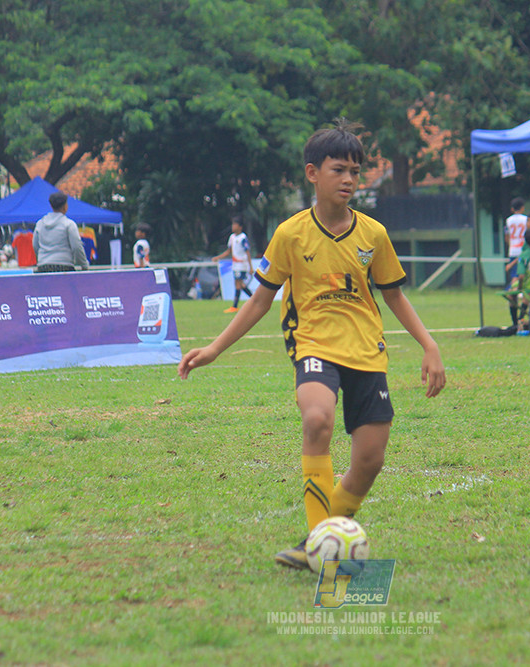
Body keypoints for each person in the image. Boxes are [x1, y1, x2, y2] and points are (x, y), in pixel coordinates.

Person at [177, 120, 446, 571]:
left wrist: (429, 345)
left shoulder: (373, 235)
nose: (349, 180)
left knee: (370, 460)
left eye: (355, 172)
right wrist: (215, 349)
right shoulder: (290, 233)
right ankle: (323, 548)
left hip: (366, 350)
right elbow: (261, 299)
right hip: (313, 344)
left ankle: (316, 538)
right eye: (339, 170)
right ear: (312, 173)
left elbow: (394, 294)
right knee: (317, 418)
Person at [32, 192, 89, 273]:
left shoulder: (40, 224)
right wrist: (84, 265)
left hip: (43, 266)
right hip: (64, 266)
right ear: (65, 207)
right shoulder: (69, 224)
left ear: (51, 206)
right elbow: (76, 246)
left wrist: (42, 259)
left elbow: (35, 245)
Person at [213, 215, 254, 314]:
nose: (233, 226)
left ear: (240, 227)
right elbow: (228, 251)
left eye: (235, 224)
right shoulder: (232, 237)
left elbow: (247, 251)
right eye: (232, 224)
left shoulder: (243, 237)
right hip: (235, 264)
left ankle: (235, 306)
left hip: (241, 264)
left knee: (238, 284)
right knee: (240, 284)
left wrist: (250, 266)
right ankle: (254, 300)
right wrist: (218, 257)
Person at [503, 198, 530, 328]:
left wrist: (511, 246)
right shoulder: (526, 220)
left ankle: (515, 321)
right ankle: (520, 318)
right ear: (523, 207)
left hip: (512, 251)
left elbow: (507, 237)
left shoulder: (508, 221)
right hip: (524, 251)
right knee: (524, 285)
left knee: (514, 286)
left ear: (512, 209)